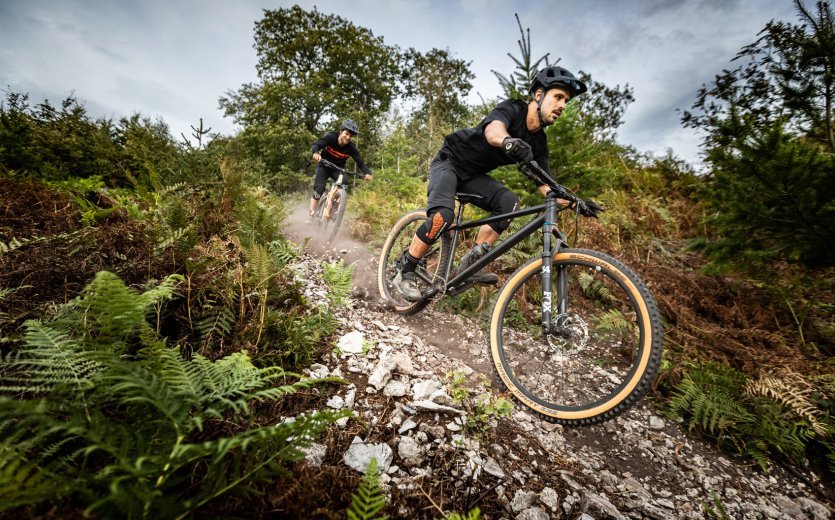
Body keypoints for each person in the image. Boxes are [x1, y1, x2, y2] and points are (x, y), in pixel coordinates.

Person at [394, 65, 603, 301]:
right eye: (558, 97)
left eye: (566, 100)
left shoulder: (539, 143)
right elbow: (493, 131)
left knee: (509, 202)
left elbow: (547, 187)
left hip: (472, 176)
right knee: (443, 216)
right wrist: (508, 141)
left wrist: (577, 203)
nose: (563, 105)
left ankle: (470, 264)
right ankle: (406, 271)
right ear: (538, 95)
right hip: (449, 162)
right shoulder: (513, 108)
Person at [309, 119, 373, 217]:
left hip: (337, 169)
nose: (348, 137)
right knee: (319, 189)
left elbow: (360, 162)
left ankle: (335, 211)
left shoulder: (351, 148)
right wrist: (315, 153)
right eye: (346, 134)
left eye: (350, 136)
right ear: (340, 132)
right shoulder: (331, 137)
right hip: (324, 166)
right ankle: (311, 214)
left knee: (345, 184)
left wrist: (368, 173)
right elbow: (317, 144)